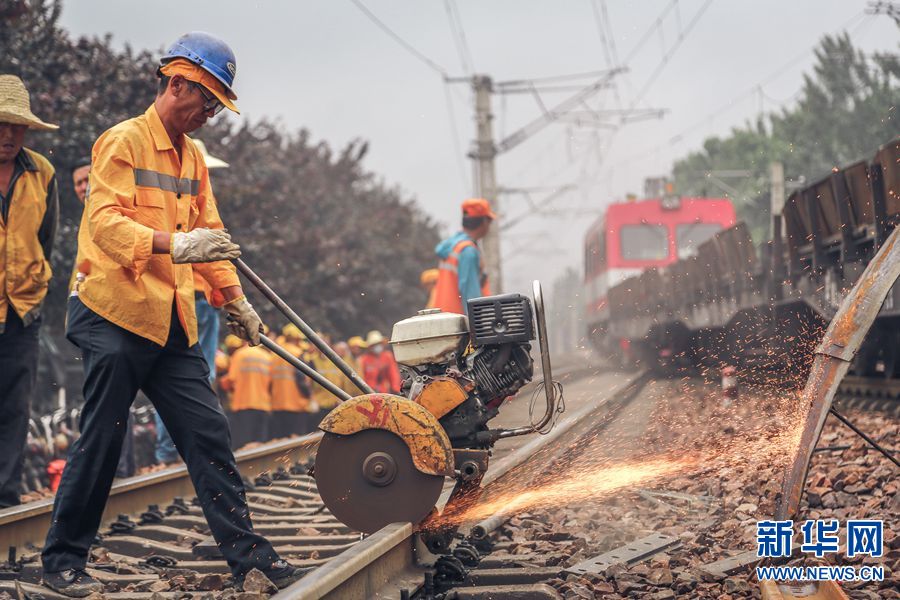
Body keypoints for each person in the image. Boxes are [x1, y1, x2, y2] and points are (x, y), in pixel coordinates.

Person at [40, 32, 309, 596]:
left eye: (216, 105)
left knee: (208, 433)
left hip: (168, 318)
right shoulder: (122, 142)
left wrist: (234, 302)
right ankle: (63, 561)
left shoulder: (192, 159)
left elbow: (212, 237)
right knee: (104, 435)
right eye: (207, 99)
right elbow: (105, 227)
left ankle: (248, 557)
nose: (211, 113)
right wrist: (174, 246)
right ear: (177, 83)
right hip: (111, 311)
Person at [0, 74, 59, 509]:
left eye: (16, 126)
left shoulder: (42, 172)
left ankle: (4, 497)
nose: (8, 135)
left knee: (14, 407)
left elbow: (47, 238)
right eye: (0, 125)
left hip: (22, 310)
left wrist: (35, 292)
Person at [153, 139, 230, 464]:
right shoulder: (188, 206)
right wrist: (224, 294)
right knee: (196, 374)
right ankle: (184, 448)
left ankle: (170, 449)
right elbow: (203, 256)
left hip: (180, 297)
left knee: (173, 375)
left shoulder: (170, 203)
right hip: (192, 299)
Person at [433, 198, 494, 316]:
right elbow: (471, 297)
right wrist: (480, 326)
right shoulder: (468, 251)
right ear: (484, 222)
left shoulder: (452, 246)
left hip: (444, 320)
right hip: (459, 326)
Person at [225, 338, 273, 446]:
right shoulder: (267, 357)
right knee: (260, 444)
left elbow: (231, 379)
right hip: (263, 405)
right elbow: (272, 383)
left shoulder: (239, 354)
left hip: (243, 404)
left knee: (243, 445)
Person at [268, 324, 311, 438]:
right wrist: (308, 395)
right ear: (296, 338)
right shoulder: (297, 353)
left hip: (277, 403)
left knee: (282, 440)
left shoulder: (275, 353)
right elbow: (300, 378)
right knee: (296, 440)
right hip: (295, 403)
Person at [358, 330, 401, 394]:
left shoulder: (387, 356)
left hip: (385, 392)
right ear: (370, 346)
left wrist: (395, 389)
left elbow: (394, 374)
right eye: (374, 344)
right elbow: (361, 376)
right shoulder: (364, 359)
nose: (377, 346)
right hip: (368, 392)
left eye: (378, 344)